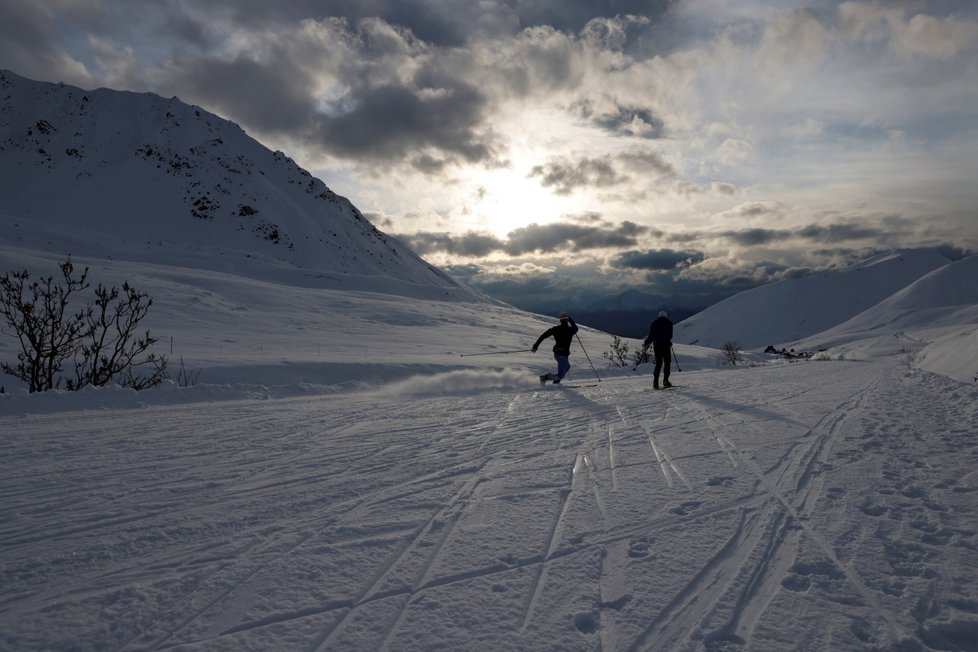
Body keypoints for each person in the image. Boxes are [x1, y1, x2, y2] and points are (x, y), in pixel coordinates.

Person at [532, 312, 578, 384]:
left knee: (567, 367)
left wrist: (536, 345)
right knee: (561, 374)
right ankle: (545, 378)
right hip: (562, 355)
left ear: (560, 320)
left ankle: (556, 382)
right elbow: (575, 328)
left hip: (558, 354)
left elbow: (543, 336)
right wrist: (570, 319)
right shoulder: (570, 330)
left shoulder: (555, 329)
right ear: (567, 321)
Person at [644, 310, 673, 389]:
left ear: (659, 316)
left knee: (659, 363)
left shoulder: (654, 323)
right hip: (666, 345)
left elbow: (652, 334)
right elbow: (670, 335)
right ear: (665, 316)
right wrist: (667, 340)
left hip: (657, 345)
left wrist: (647, 342)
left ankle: (655, 382)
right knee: (667, 362)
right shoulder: (669, 323)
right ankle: (665, 381)